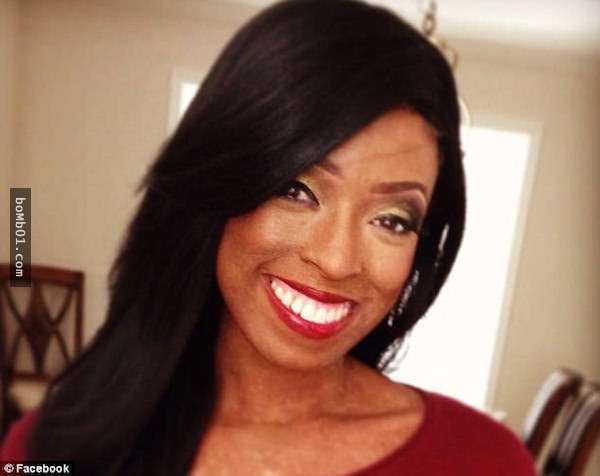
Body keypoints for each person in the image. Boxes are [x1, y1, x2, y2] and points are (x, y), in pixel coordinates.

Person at [0, 0, 536, 474]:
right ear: (217, 183)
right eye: (296, 189)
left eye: (392, 220)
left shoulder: (484, 462)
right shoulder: (50, 454)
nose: (336, 260)